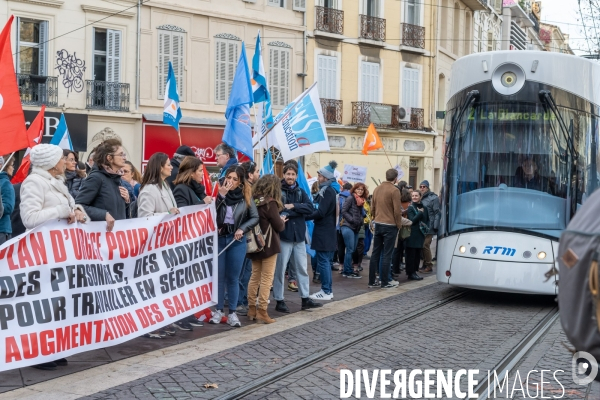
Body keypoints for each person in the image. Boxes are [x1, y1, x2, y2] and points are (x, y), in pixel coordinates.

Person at [20, 144, 88, 370]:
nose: (65, 162)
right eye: (61, 159)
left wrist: (77, 210)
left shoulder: (58, 182)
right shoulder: (34, 182)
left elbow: (69, 205)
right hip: (42, 254)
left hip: (61, 253)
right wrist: (61, 212)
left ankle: (53, 348)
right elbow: (29, 218)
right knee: (42, 304)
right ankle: (36, 353)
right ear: (50, 162)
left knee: (58, 303)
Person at [137, 153, 181, 337]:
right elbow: (143, 218)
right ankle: (150, 324)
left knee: (163, 285)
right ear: (159, 167)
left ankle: (161, 320)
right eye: (168, 165)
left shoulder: (166, 187)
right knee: (152, 286)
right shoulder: (149, 190)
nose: (171, 167)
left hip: (166, 243)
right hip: (153, 246)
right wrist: (167, 215)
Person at [210, 165, 258, 327]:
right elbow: (211, 214)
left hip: (236, 241)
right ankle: (218, 311)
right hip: (219, 238)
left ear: (240, 182)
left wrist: (242, 229)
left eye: (234, 179)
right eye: (228, 178)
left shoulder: (246, 196)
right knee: (219, 276)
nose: (230, 181)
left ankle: (232, 312)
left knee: (233, 277)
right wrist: (220, 197)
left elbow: (254, 217)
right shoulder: (218, 193)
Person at [273, 163, 322, 313]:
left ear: (296, 176)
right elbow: (279, 209)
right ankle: (279, 300)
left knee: (302, 268)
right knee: (280, 270)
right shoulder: (278, 191)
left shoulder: (301, 191)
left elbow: (310, 208)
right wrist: (297, 210)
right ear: (284, 175)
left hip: (299, 237)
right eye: (288, 174)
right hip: (284, 235)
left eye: (293, 174)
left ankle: (305, 298)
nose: (290, 177)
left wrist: (293, 206)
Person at [246, 175, 287, 323]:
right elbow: (278, 226)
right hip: (268, 245)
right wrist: (282, 221)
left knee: (254, 276)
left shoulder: (252, 201)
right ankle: (262, 311)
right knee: (266, 279)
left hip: (254, 244)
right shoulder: (270, 203)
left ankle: (251, 308)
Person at [368, 169, 412, 289]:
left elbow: (372, 207)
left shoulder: (377, 189)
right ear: (396, 178)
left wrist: (375, 217)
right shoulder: (394, 190)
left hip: (379, 223)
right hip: (390, 225)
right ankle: (385, 282)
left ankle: (372, 281)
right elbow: (397, 211)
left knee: (375, 253)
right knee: (387, 254)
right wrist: (398, 225)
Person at [76, 139, 130, 231]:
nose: (124, 158)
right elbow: (79, 206)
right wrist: (104, 214)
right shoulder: (96, 178)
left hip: (118, 236)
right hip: (100, 237)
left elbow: (116, 210)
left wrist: (127, 201)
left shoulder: (117, 178)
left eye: (124, 154)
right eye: (121, 154)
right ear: (109, 158)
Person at [308, 161, 339, 300]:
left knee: (323, 261)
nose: (318, 178)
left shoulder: (327, 191)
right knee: (325, 261)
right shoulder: (329, 190)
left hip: (324, 231)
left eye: (320, 176)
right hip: (327, 231)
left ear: (325, 178)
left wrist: (306, 216)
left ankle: (326, 291)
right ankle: (327, 290)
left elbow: (321, 212)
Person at [236, 161, 259, 316]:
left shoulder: (248, 189)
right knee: (243, 271)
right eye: (256, 171)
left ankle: (241, 300)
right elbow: (253, 216)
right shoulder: (245, 190)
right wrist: (242, 229)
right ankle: (239, 301)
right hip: (242, 236)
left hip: (243, 234)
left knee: (245, 270)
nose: (258, 174)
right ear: (250, 174)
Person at [341, 183, 368, 278]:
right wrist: (352, 220)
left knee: (352, 249)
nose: (360, 191)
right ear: (354, 190)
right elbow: (343, 210)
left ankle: (348, 269)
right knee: (350, 249)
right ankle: (347, 271)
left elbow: (360, 214)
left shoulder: (361, 201)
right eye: (358, 189)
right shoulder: (351, 198)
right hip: (348, 227)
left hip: (356, 228)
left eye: (362, 189)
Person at [406, 190, 429, 280]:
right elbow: (412, 220)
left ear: (420, 197)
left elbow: (427, 219)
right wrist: (420, 213)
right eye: (413, 196)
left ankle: (415, 271)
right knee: (411, 254)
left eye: (416, 195)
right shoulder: (411, 207)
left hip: (421, 234)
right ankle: (410, 273)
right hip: (412, 234)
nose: (414, 197)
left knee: (417, 254)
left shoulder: (424, 207)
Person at [419, 180, 440, 274]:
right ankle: (424, 264)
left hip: (429, 225)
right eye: (421, 186)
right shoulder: (419, 197)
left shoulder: (434, 198)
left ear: (427, 187)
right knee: (421, 246)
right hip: (421, 225)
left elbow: (437, 213)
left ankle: (429, 265)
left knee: (425, 245)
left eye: (424, 186)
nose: (422, 188)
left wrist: (435, 225)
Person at [335, 182, 352, 268]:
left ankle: (341, 265)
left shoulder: (338, 196)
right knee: (349, 247)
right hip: (349, 224)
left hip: (339, 224)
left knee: (340, 246)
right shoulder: (352, 197)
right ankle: (348, 266)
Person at [0, 155, 15, 245]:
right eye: (12, 165)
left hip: (2, 230)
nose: (13, 168)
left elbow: (8, 207)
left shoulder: (5, 182)